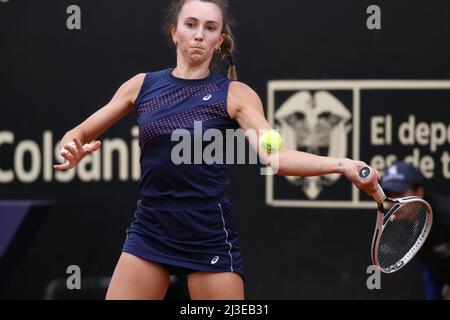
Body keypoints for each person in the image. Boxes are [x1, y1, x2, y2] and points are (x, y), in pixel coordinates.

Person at [53, 0, 380, 300]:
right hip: (150, 228)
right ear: (174, 32)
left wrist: (341, 164)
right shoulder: (141, 86)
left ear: (220, 40)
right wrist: (70, 151)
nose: (199, 35)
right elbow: (77, 134)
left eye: (210, 28)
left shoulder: (236, 95)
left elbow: (276, 156)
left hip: (207, 232)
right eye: (191, 25)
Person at [380, 161, 450, 300]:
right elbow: (430, 270)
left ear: (419, 192)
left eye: (399, 193)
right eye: (389, 194)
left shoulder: (446, 215)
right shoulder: (400, 227)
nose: (393, 202)